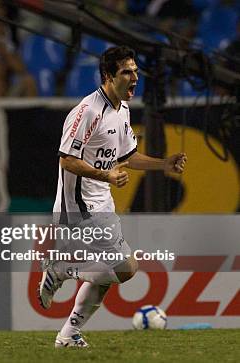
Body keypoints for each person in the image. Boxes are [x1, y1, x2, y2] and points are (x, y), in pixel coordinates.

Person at [40, 46, 187, 348]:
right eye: (126, 72)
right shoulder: (87, 112)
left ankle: (68, 335)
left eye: (135, 71)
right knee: (125, 268)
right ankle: (61, 269)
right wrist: (107, 175)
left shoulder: (122, 109)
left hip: (102, 201)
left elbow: (127, 156)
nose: (135, 78)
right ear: (108, 76)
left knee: (110, 274)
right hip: (79, 205)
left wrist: (163, 164)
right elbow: (66, 160)